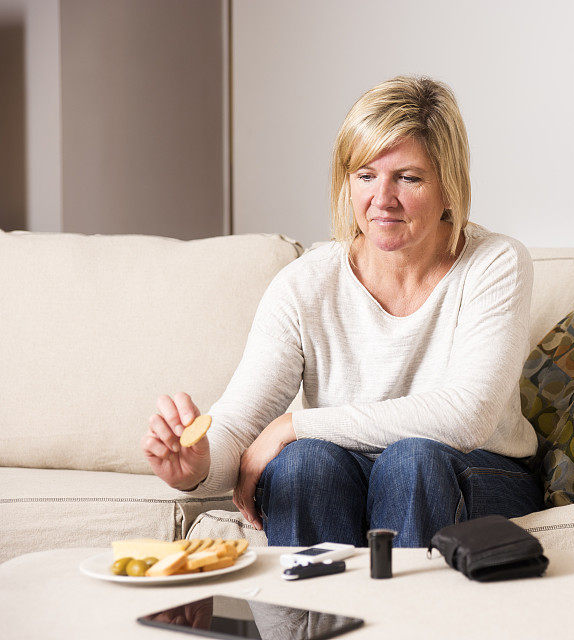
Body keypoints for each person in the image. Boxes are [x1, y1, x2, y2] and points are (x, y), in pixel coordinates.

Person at [141, 75, 543, 547]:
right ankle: (324, 621)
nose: (382, 199)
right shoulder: (305, 285)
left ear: (449, 186)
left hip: (478, 470)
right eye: (366, 176)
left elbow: (466, 415)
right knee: (300, 466)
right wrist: (197, 465)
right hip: (352, 470)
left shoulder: (495, 263)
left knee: (410, 462)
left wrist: (296, 424)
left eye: (408, 178)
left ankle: (412, 621)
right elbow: (241, 424)